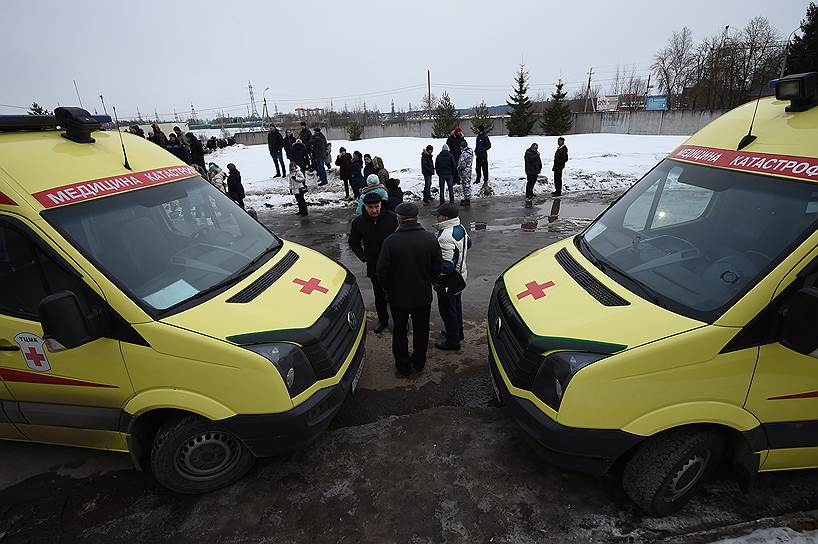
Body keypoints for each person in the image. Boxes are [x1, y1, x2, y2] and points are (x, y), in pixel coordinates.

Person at [376, 202, 442, 375]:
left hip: (398, 298)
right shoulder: (430, 239)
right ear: (416, 218)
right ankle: (419, 362)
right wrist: (428, 282)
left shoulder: (390, 242)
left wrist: (388, 289)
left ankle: (403, 365)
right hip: (422, 295)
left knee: (399, 331)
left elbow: (381, 271)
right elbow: (437, 268)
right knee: (422, 330)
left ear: (398, 219)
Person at [349, 192, 399, 333]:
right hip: (374, 266)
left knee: (396, 295)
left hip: (393, 265)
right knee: (379, 296)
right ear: (364, 206)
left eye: (376, 206)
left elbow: (401, 237)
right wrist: (364, 257)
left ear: (381, 204)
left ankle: (400, 321)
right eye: (370, 207)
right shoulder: (359, 223)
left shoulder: (392, 218)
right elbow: (353, 242)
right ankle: (383, 320)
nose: (374, 210)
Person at [434, 203, 471, 351]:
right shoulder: (460, 228)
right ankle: (457, 332)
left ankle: (453, 341)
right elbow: (469, 244)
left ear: (445, 217)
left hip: (448, 281)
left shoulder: (445, 237)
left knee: (447, 310)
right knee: (456, 306)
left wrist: (434, 271)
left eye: (438, 215)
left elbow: (447, 266)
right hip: (460, 276)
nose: (436, 217)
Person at [524, 142, 542, 208]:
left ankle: (531, 193)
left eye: (537, 148)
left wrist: (539, 167)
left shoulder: (535, 153)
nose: (536, 149)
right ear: (532, 147)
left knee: (533, 182)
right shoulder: (528, 152)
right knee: (530, 183)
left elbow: (538, 161)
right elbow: (530, 159)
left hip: (535, 171)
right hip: (530, 171)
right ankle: (528, 194)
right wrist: (537, 155)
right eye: (535, 148)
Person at [457, 139, 474, 207]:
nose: (460, 147)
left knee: (466, 185)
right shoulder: (469, 152)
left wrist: (458, 168)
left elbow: (462, 164)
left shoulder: (465, 154)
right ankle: (467, 199)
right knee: (467, 185)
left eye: (460, 146)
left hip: (465, 172)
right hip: (468, 171)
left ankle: (467, 201)